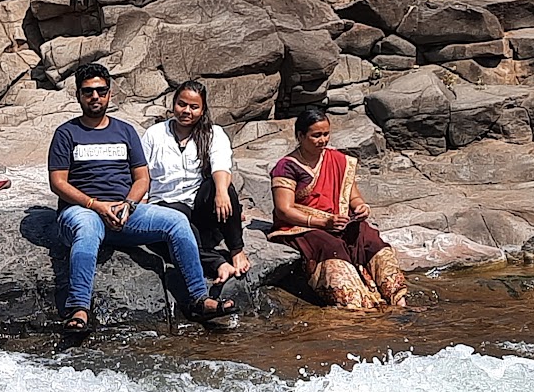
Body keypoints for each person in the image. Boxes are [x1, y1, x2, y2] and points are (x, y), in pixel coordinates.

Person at [48, 63, 232, 334]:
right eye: (88, 92)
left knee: (177, 221)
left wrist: (129, 204)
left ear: (110, 94)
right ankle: (79, 309)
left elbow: (142, 179)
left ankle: (198, 299)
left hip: (125, 213)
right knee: (86, 230)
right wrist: (96, 205)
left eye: (101, 91)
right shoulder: (66, 134)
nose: (95, 97)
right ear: (78, 95)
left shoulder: (125, 131)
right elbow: (58, 183)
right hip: (82, 211)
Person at [269, 107, 409, 309]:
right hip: (301, 226)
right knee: (331, 247)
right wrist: (322, 222)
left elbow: (353, 196)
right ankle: (354, 302)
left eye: (326, 134)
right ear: (300, 136)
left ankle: (398, 298)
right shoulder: (287, 167)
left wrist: (361, 207)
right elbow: (284, 210)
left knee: (369, 238)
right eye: (316, 135)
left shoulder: (338, 160)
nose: (323, 140)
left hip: (338, 221)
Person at [142, 80, 249, 285]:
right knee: (173, 226)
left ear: (202, 109)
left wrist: (221, 192)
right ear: (173, 104)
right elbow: (142, 172)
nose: (187, 111)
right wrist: (142, 204)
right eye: (182, 104)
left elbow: (221, 165)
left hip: (200, 207)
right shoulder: (155, 134)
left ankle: (236, 249)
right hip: (167, 205)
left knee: (224, 187)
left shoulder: (213, 133)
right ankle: (216, 262)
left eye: (194, 107)